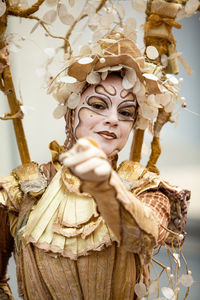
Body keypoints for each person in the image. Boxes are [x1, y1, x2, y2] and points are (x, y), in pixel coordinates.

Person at [0, 35, 190, 300]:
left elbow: (143, 238)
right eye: (98, 106)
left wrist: (105, 186)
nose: (113, 120)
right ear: (71, 112)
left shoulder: (145, 188)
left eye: (125, 113)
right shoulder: (21, 191)